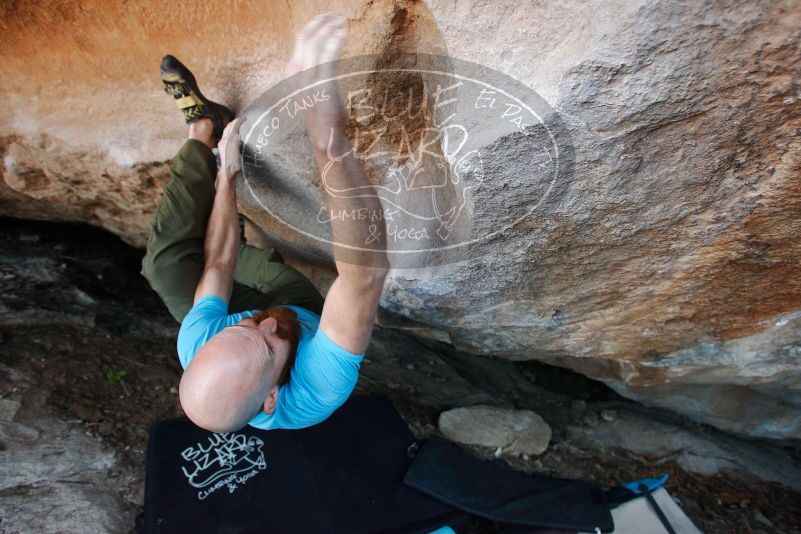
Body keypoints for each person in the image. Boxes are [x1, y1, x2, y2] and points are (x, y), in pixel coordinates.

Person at [141, 13, 389, 433]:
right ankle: (252, 255)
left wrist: (228, 177)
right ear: (271, 398)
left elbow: (220, 261)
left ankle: (203, 129)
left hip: (228, 292)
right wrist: (324, 131)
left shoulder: (198, 340)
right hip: (297, 301)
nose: (266, 319)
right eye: (269, 344)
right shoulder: (316, 390)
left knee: (165, 270)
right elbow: (365, 274)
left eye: (245, 325)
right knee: (252, 281)